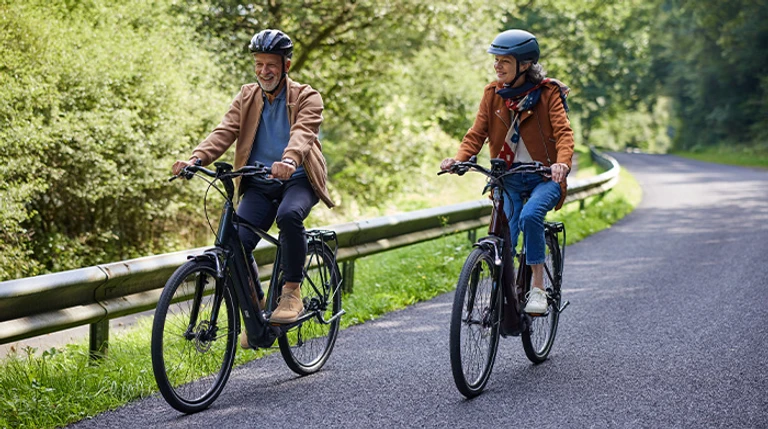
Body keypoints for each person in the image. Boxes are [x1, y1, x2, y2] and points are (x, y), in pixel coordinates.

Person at [172, 29, 334, 345]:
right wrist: (196, 158)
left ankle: (291, 292)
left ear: (286, 65)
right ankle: (256, 305)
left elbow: (303, 132)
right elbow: (224, 131)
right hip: (259, 184)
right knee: (237, 242)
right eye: (258, 64)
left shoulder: (307, 97)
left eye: (270, 64)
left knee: (289, 216)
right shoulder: (247, 96)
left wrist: (289, 160)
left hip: (298, 179)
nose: (263, 71)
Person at [440, 29, 574, 314]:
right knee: (505, 237)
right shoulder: (493, 94)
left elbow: (564, 133)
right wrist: (459, 159)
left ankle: (537, 287)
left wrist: (561, 163)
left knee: (530, 216)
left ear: (524, 65)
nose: (497, 65)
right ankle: (507, 295)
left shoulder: (548, 93)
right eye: (496, 59)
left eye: (505, 60)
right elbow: (476, 134)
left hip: (545, 177)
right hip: (508, 179)